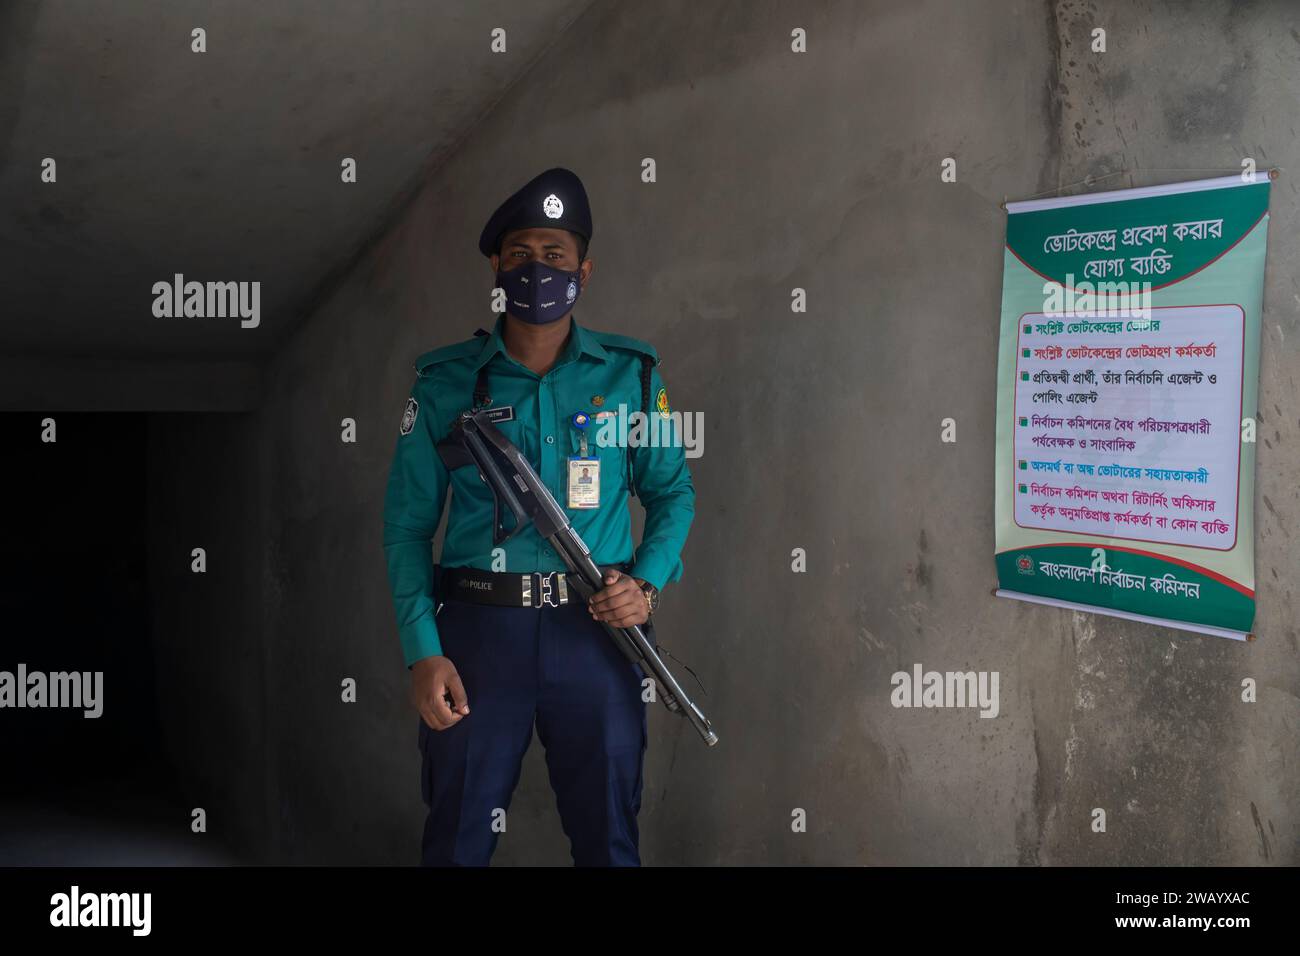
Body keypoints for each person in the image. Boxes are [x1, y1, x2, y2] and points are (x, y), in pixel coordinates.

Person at [382, 167, 695, 866]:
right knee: (457, 837)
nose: (538, 269)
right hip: (476, 639)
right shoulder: (444, 383)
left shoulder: (631, 376)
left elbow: (673, 494)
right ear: (497, 265)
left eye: (555, 255)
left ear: (583, 269)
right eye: (521, 253)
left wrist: (645, 586)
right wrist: (422, 649)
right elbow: (406, 526)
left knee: (609, 840)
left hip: (597, 634)